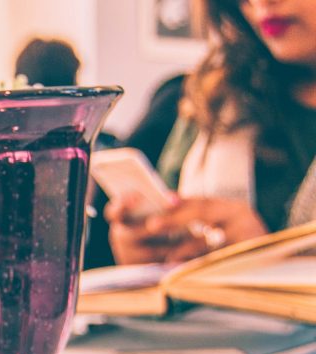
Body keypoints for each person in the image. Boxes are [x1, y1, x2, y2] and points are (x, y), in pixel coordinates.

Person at [105, 0, 316, 265]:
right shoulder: (214, 102)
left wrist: (270, 265)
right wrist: (144, 249)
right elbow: (165, 234)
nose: (261, 2)